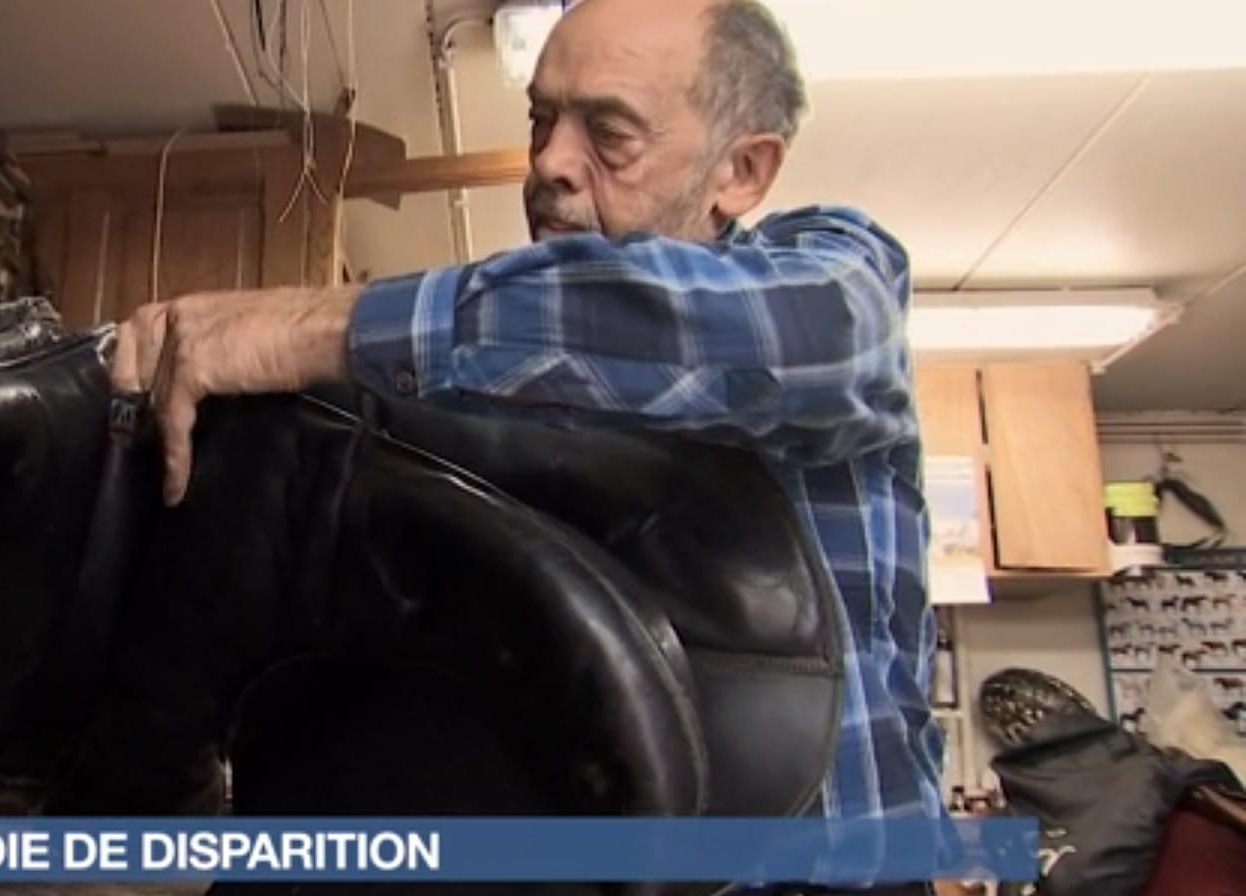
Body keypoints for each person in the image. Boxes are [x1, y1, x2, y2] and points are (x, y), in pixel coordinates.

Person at [111, 0, 944, 892]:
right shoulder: (490, 391)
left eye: (609, 133)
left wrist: (312, 326)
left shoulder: (833, 271)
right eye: (542, 119)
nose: (549, 163)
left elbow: (806, 337)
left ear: (742, 170)